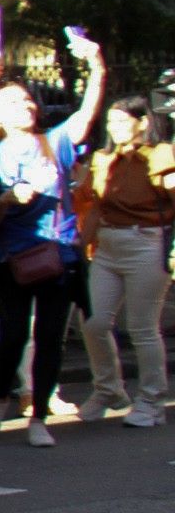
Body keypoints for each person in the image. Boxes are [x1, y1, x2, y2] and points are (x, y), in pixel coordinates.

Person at [0, 38, 107, 447]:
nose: (26, 106)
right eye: (14, 102)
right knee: (13, 334)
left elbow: (87, 115)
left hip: (59, 257)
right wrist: (6, 199)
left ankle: (38, 417)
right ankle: (1, 395)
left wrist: (98, 65)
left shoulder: (56, 142)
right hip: (13, 261)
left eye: (28, 100)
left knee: (51, 338)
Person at [76, 94, 174, 428]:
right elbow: (96, 207)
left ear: (142, 122)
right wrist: (80, 248)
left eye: (121, 121)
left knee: (142, 327)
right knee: (93, 321)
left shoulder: (160, 154)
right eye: (110, 122)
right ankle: (108, 390)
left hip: (146, 243)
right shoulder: (103, 159)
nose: (114, 128)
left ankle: (151, 401)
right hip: (108, 245)